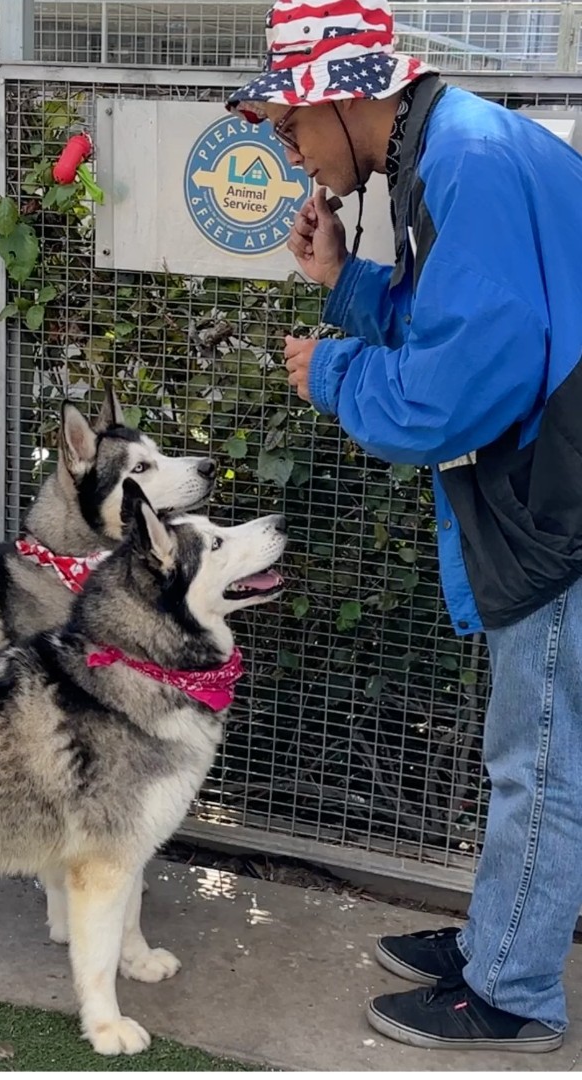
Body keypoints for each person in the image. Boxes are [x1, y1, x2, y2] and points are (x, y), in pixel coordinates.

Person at [225, 0, 582, 1054]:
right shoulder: (450, 146)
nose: (288, 151)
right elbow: (465, 324)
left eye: (290, 125)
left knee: (541, 756)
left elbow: (458, 387)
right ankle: (499, 939)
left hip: (560, 504)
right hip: (553, 486)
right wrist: (345, 285)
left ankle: (511, 991)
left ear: (346, 97)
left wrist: (331, 369)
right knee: (534, 745)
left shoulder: (461, 157)